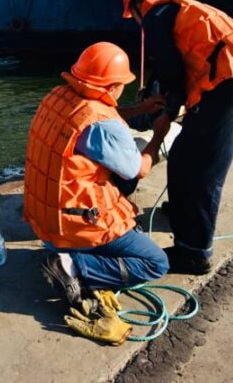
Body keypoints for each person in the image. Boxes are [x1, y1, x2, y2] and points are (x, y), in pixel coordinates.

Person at [121, 0, 233, 275]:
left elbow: (170, 69)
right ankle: (180, 212)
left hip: (228, 83)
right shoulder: (182, 8)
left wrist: (169, 110)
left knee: (198, 168)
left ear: (138, 6)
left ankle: (194, 253)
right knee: (197, 159)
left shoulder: (156, 16)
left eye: (133, 15)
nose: (137, 21)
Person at [23, 41, 169, 309]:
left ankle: (69, 257)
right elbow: (139, 169)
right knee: (156, 263)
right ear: (113, 86)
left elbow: (94, 119)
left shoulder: (57, 96)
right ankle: (73, 267)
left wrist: (140, 109)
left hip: (44, 221)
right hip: (74, 229)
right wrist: (160, 133)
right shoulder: (103, 124)